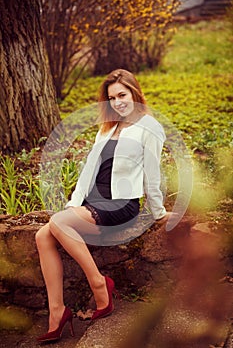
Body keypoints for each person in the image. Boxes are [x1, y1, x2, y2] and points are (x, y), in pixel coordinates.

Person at [35, 69, 167, 343]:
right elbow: (88, 171)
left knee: (57, 223)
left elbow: (153, 174)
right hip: (93, 201)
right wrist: (73, 205)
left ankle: (99, 283)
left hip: (121, 204)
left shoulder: (149, 127)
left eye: (122, 95)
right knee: (42, 235)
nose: (118, 102)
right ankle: (57, 312)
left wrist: (159, 212)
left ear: (134, 92)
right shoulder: (108, 127)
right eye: (112, 98)